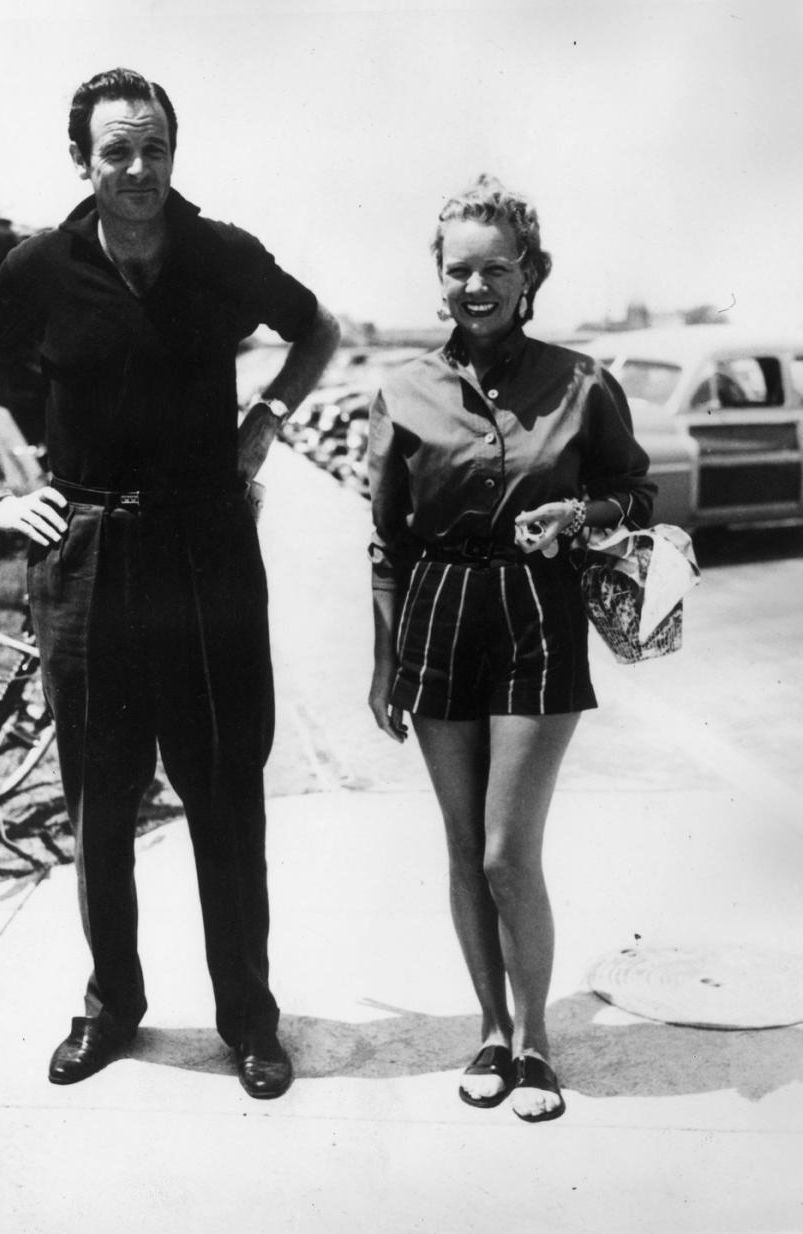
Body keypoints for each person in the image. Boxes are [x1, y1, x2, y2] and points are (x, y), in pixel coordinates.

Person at [0, 68, 340, 1098]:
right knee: (100, 804)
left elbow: (316, 331)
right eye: (117, 150)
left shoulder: (222, 255)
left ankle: (248, 1017)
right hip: (88, 552)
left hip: (206, 550)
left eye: (154, 147)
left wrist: (264, 424)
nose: (139, 168)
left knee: (224, 798)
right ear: (83, 159)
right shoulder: (40, 265)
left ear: (173, 153)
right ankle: (113, 1005)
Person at [366, 174, 655, 1122]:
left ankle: (536, 1042)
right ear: (437, 280)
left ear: (532, 274)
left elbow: (635, 494)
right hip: (439, 614)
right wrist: (384, 663)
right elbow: (388, 542)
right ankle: (489, 1028)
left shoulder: (581, 381)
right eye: (460, 271)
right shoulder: (401, 390)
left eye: (497, 267)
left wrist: (582, 511)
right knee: (458, 845)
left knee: (503, 853)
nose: (477, 286)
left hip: (539, 612)